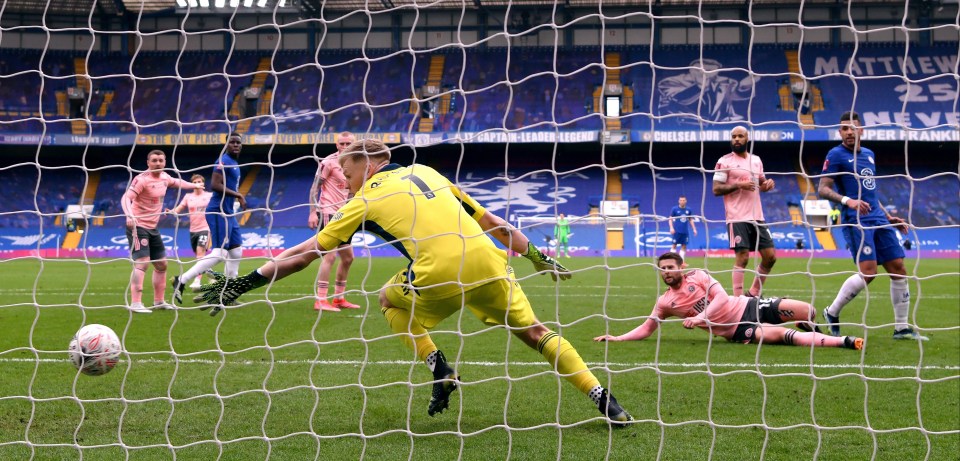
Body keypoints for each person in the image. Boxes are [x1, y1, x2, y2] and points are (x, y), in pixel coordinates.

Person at [193, 139, 634, 426]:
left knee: (387, 298)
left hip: (438, 273)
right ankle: (602, 398)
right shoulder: (431, 173)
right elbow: (495, 222)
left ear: (368, 163)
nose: (345, 186)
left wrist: (243, 283)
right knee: (536, 333)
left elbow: (306, 254)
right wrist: (540, 258)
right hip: (491, 262)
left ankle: (438, 366)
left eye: (347, 175)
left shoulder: (363, 199)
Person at [594, 252, 863, 350]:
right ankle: (844, 342)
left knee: (808, 310)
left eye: (670, 267)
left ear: (681, 267)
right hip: (736, 330)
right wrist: (618, 338)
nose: (666, 272)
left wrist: (700, 318)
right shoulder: (665, 302)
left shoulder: (697, 275)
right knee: (782, 336)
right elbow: (647, 327)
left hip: (746, 305)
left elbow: (722, 297)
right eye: (662, 269)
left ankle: (814, 329)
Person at [817, 111, 927, 341]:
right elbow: (823, 189)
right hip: (855, 221)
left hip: (878, 219)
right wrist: (849, 201)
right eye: (845, 128)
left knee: (898, 267)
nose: (849, 132)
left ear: (861, 130)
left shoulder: (869, 154)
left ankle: (902, 328)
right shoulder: (835, 154)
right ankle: (832, 312)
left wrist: (889, 218)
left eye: (853, 127)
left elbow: (871, 194)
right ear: (840, 132)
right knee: (869, 273)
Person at [121, 150, 202, 313]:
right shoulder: (141, 180)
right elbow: (126, 198)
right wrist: (129, 215)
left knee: (161, 264)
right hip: (138, 226)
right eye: (154, 160)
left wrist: (194, 185)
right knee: (142, 262)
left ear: (165, 162)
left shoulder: (165, 177)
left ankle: (159, 301)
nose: (158, 163)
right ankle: (135, 303)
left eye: (160, 160)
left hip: (153, 227)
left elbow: (178, 182)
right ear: (148, 163)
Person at [171, 132, 247, 304]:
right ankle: (181, 280)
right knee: (220, 254)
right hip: (217, 211)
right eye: (232, 142)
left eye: (238, 143)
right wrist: (238, 195)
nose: (235, 145)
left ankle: (227, 294)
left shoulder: (235, 163)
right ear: (226, 145)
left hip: (228, 212)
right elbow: (215, 185)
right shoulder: (223, 161)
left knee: (236, 251)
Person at [713, 126, 777, 297]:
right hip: (737, 217)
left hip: (757, 217)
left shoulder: (756, 160)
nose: (736, 139)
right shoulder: (724, 161)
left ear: (747, 139)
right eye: (733, 136)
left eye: (740, 136)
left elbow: (761, 184)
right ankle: (738, 300)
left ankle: (754, 292)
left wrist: (767, 185)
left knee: (770, 257)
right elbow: (716, 189)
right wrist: (739, 185)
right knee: (743, 257)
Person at [308, 131, 361, 312]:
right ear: (337, 145)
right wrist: (313, 212)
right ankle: (320, 300)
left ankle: (338, 298)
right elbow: (315, 188)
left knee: (348, 258)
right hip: (328, 212)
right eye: (342, 144)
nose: (345, 147)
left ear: (355, 144)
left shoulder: (357, 163)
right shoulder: (328, 162)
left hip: (345, 214)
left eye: (348, 144)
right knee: (329, 256)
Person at [170, 174, 213, 290]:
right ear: (192, 184)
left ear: (203, 184)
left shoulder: (210, 196)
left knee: (200, 253)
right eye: (195, 182)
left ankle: (197, 281)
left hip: (206, 228)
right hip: (193, 230)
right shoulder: (188, 196)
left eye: (200, 181)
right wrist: (172, 212)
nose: (198, 183)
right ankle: (211, 274)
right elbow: (179, 208)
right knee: (200, 257)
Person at [668, 195, 698, 260]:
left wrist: (694, 229)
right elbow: (670, 219)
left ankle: (681, 261)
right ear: (678, 201)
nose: (682, 202)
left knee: (684, 246)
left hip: (685, 231)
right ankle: (671, 260)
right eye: (681, 200)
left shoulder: (688, 210)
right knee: (674, 245)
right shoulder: (674, 209)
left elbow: (691, 219)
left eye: (683, 200)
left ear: (686, 201)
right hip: (676, 231)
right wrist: (671, 227)